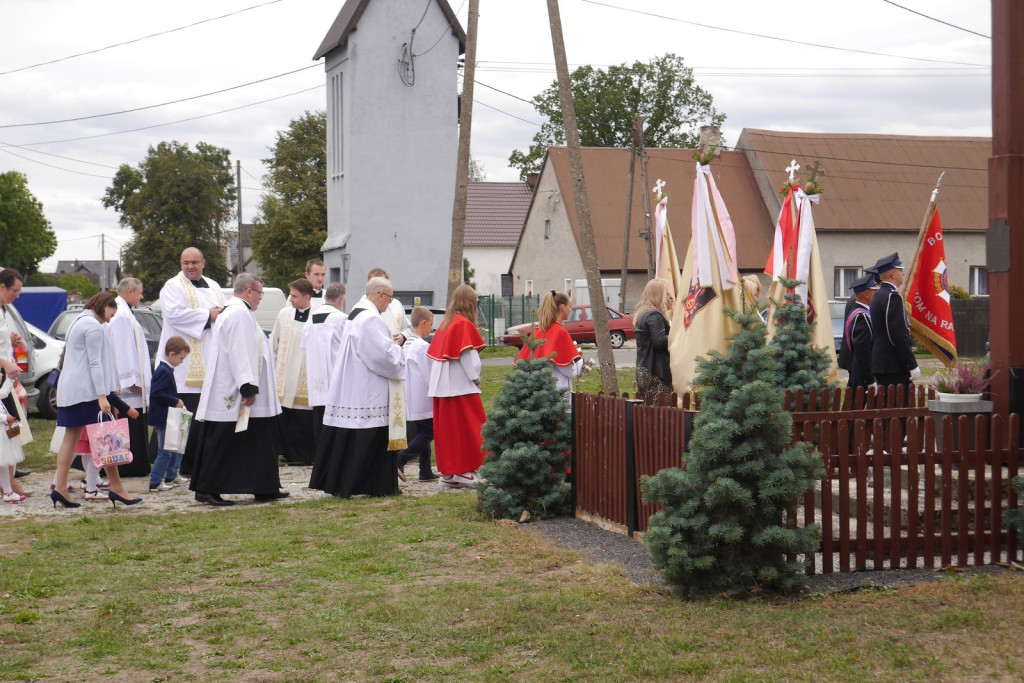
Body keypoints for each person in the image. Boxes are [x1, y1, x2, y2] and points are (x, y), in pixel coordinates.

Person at [190, 274, 288, 506]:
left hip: (239, 390)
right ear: (249, 292)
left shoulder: (236, 312)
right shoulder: (239, 314)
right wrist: (247, 386)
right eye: (260, 293)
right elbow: (240, 351)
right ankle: (207, 488)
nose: (261, 299)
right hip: (231, 392)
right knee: (222, 440)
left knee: (258, 441)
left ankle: (265, 486)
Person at [310, 277, 406, 498]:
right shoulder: (370, 319)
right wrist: (400, 351)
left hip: (355, 387)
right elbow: (382, 358)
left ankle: (349, 484)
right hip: (366, 391)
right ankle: (373, 485)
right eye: (390, 299)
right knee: (367, 439)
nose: (390, 304)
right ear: (380, 295)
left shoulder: (357, 312)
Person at [51, 292, 142, 509]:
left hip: (72, 389)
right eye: (111, 312)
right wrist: (103, 395)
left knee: (72, 440)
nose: (110, 319)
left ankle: (61, 488)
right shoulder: (92, 326)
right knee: (107, 439)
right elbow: (95, 363)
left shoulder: (77, 321)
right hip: (87, 391)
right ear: (104, 305)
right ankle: (117, 488)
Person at [156, 247, 225, 475]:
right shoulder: (172, 286)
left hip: (208, 357)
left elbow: (223, 311)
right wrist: (208, 315)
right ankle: (177, 466)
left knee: (203, 416)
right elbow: (174, 314)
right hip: (182, 367)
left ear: (203, 262)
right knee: (181, 416)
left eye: (195, 262)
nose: (190, 266)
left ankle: (200, 460)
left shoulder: (214, 286)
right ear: (180, 263)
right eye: (186, 262)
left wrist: (217, 314)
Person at [427, 284, 487, 489]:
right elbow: (468, 357)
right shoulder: (462, 324)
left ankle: (450, 474)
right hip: (459, 388)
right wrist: (476, 378)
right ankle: (463, 471)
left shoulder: (447, 323)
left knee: (448, 432)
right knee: (469, 428)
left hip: (443, 388)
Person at [106, 277, 153, 478]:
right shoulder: (122, 316)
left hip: (125, 385)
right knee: (127, 424)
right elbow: (123, 350)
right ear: (131, 291)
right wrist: (132, 381)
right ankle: (128, 466)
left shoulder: (124, 312)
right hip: (126, 387)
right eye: (140, 292)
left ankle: (130, 465)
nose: (142, 297)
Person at [270, 278, 315, 465]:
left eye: (295, 296)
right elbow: (274, 342)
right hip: (285, 372)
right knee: (285, 416)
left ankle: (304, 456)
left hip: (305, 373)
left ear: (307, 297)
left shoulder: (318, 316)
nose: (291, 300)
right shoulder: (284, 314)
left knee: (303, 419)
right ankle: (286, 453)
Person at [516, 290, 583, 404]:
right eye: (569, 306)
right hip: (557, 393)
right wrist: (581, 362)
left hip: (537, 393)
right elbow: (570, 370)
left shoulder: (538, 331)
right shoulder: (560, 332)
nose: (570, 310)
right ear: (562, 307)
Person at [397, 306, 440, 482]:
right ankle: (401, 458)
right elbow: (429, 373)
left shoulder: (407, 343)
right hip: (422, 396)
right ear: (423, 323)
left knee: (423, 431)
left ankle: (425, 470)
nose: (431, 328)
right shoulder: (422, 346)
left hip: (410, 394)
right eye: (430, 324)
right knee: (429, 433)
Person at [302, 282, 347, 448]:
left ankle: (320, 459)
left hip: (315, 380)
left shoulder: (310, 320)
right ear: (341, 301)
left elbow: (303, 348)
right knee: (336, 425)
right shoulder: (341, 319)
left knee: (319, 421)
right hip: (337, 381)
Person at [0, 269, 32, 498]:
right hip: (3, 375)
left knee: (11, 427)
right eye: (15, 290)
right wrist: (5, 364)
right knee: (10, 425)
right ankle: (8, 481)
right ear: (2, 287)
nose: (18, 296)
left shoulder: (3, 309)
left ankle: (8, 480)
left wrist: (10, 338)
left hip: (5, 379)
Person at [869, 253, 920, 389]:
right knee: (900, 407)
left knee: (887, 406)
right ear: (893, 274)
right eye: (900, 270)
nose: (903, 273)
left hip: (883, 364)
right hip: (894, 365)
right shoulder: (893, 297)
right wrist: (911, 364)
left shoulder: (878, 295)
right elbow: (898, 335)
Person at [147, 336, 190, 493]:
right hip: (162, 417)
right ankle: (155, 481)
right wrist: (175, 401)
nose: (181, 362)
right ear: (171, 354)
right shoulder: (163, 371)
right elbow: (157, 393)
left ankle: (171, 475)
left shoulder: (165, 369)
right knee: (165, 450)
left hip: (167, 416)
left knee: (173, 447)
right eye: (181, 358)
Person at [633, 279, 673, 401]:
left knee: (649, 411)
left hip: (644, 368)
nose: (669, 297)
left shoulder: (643, 313)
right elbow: (659, 341)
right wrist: (677, 337)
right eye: (666, 293)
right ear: (658, 295)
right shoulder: (654, 315)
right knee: (661, 412)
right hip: (656, 371)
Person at [840, 274, 878, 390]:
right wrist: (870, 380)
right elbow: (863, 352)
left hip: (860, 372)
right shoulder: (862, 317)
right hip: (863, 376)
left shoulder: (857, 311)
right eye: (874, 292)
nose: (877, 295)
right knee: (857, 406)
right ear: (867, 294)